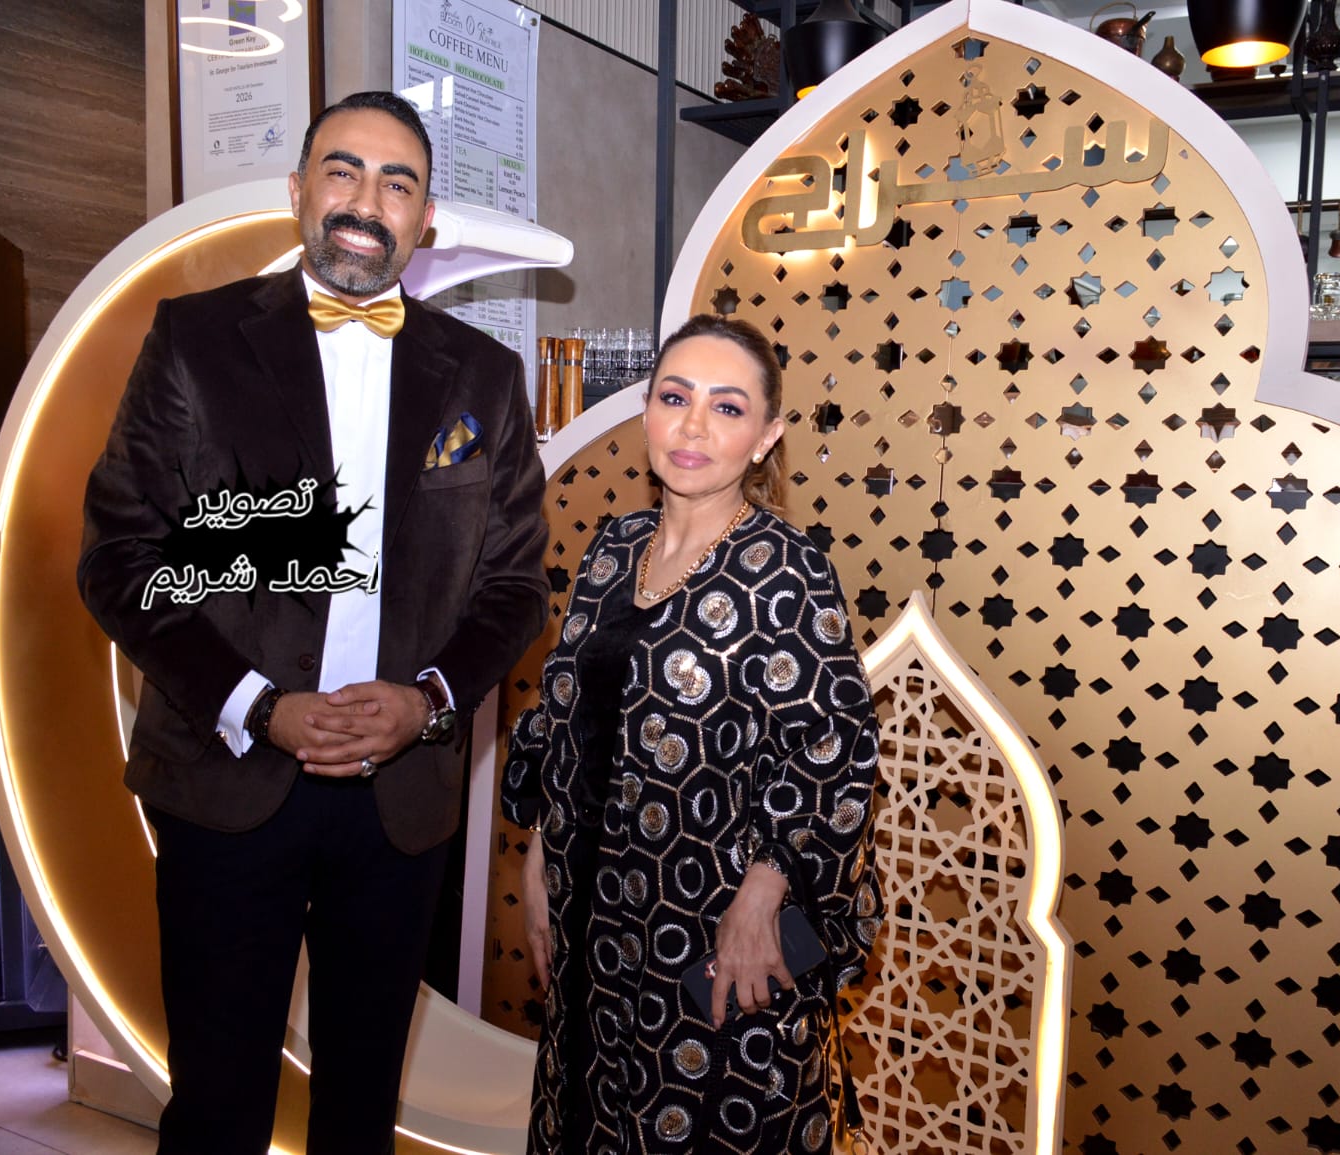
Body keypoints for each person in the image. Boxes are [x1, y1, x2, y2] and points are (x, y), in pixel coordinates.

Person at [77, 91, 549, 1155]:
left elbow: (514, 584)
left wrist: (427, 702)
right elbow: (120, 557)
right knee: (217, 1104)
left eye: (398, 183)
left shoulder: (485, 375)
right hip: (226, 777)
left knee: (359, 1108)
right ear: (298, 191)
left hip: (400, 801)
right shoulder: (195, 339)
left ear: (426, 218)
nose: (366, 203)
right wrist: (258, 704)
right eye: (344, 171)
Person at [501, 314, 883, 1154]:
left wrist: (765, 893)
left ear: (767, 436)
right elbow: (565, 716)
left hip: (710, 930)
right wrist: (538, 850)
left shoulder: (788, 571)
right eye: (675, 398)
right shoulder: (614, 548)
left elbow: (835, 750)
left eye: (728, 407)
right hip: (594, 919)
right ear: (647, 411)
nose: (694, 426)